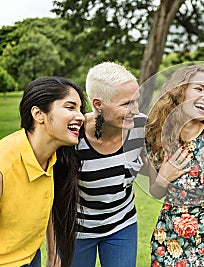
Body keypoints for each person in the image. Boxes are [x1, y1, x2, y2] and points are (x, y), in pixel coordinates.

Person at [145, 65, 204, 267]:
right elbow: (156, 191)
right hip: (165, 242)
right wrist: (163, 178)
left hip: (203, 246)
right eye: (199, 89)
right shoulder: (158, 137)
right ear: (180, 91)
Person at [0, 76, 85, 267]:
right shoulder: (4, 165)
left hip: (31, 258)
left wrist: (54, 253)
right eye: (70, 107)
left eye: (80, 109)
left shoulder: (54, 158)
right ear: (38, 114)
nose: (81, 116)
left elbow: (47, 205)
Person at [71, 62, 147, 267]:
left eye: (137, 101)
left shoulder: (141, 127)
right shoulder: (72, 136)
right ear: (98, 104)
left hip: (122, 224)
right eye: (126, 104)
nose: (135, 110)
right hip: (78, 230)